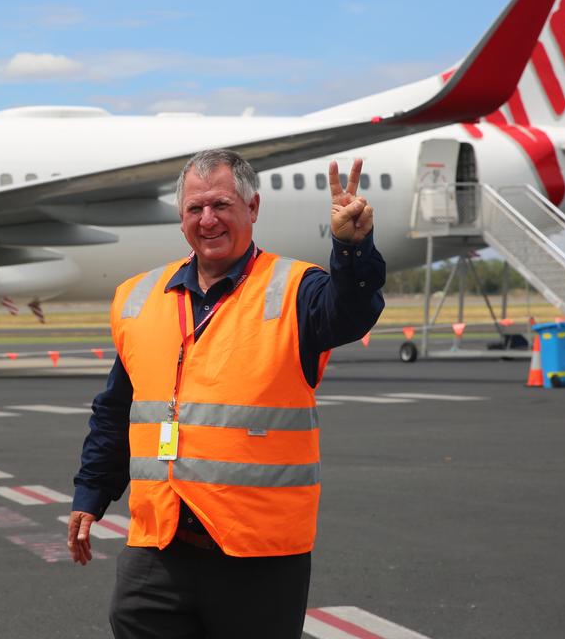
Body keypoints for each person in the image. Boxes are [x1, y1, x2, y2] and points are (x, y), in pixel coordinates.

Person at [67, 148, 385, 638]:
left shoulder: (296, 290)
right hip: (159, 545)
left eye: (220, 205)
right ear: (181, 217)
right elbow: (117, 410)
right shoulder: (139, 298)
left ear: (252, 209)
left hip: (256, 554)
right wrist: (90, 494)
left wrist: (352, 250)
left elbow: (352, 310)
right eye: (195, 209)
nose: (208, 219)